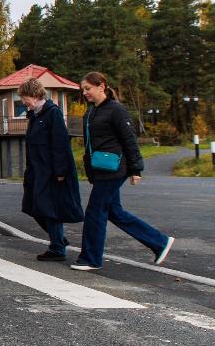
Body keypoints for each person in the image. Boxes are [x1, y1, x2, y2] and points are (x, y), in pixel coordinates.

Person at [71, 71, 174, 271]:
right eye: (82, 89)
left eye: (88, 88)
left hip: (114, 169)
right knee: (114, 212)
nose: (84, 93)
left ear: (101, 86)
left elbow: (129, 140)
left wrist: (136, 169)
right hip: (100, 170)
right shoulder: (91, 112)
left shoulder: (116, 110)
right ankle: (159, 242)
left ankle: (90, 259)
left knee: (95, 212)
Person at [18, 77, 84, 261]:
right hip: (36, 171)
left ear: (35, 95)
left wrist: (61, 171)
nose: (23, 102)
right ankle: (59, 241)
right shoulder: (34, 115)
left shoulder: (52, 113)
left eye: (25, 98)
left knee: (48, 209)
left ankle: (57, 248)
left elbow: (60, 143)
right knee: (32, 206)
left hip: (51, 172)